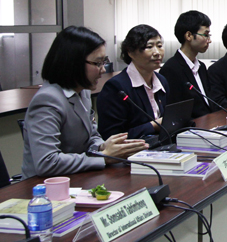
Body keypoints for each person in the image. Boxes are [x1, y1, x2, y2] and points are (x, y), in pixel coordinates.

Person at [21, 26, 147, 179]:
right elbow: (47, 162)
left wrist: (104, 146)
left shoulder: (83, 92)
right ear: (73, 63)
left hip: (76, 177)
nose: (103, 70)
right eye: (98, 63)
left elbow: (91, 135)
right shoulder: (47, 100)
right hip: (42, 186)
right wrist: (104, 157)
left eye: (104, 61)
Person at [97, 24, 170, 140]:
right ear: (130, 52)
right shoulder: (116, 87)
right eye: (149, 47)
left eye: (160, 46)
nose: (157, 52)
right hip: (134, 149)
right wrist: (154, 125)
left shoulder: (162, 81)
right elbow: (111, 136)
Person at [160, 11, 215, 118]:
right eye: (205, 35)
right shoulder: (171, 69)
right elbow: (176, 113)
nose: (209, 41)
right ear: (189, 36)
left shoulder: (201, 67)